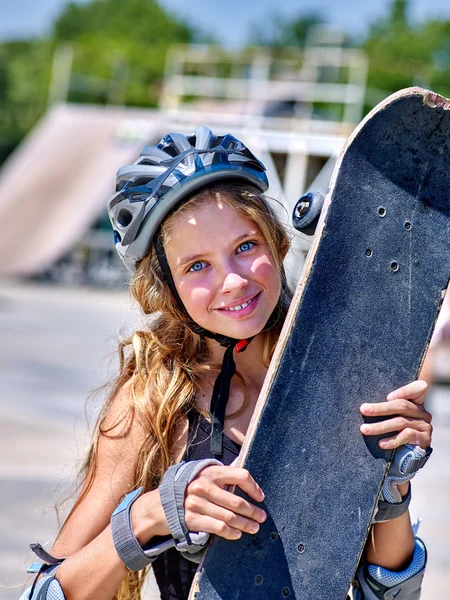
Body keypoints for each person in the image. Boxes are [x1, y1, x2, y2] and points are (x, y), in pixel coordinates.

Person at [22, 127, 433, 600]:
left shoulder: (342, 375)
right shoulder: (155, 402)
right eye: (197, 266)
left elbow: (394, 594)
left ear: (276, 243)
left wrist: (391, 486)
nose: (233, 281)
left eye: (245, 247)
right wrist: (153, 514)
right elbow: (42, 595)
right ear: (166, 287)